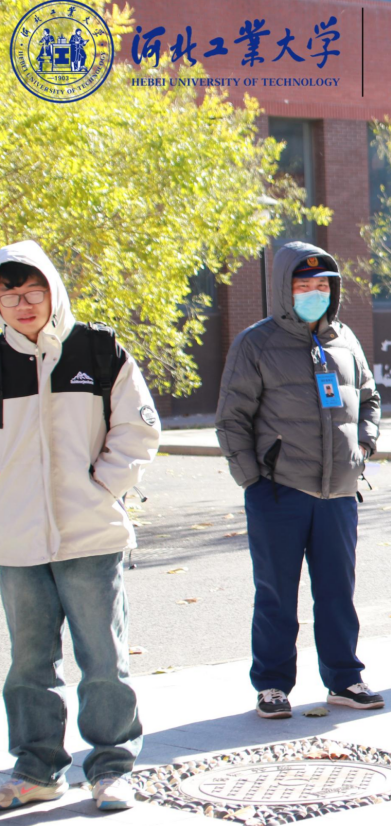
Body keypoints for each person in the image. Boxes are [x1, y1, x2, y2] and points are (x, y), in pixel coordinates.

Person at [0, 241, 160, 811]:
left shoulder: (98, 348)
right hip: (16, 542)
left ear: (53, 291)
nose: (23, 305)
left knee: (103, 661)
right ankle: (37, 769)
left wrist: (102, 488)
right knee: (28, 666)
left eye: (33, 292)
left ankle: (112, 768)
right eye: (10, 295)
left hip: (91, 535)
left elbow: (138, 429)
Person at [215, 243, 383, 720]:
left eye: (322, 285)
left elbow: (369, 398)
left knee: (337, 593)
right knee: (275, 594)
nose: (314, 293)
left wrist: (364, 447)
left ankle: (344, 678)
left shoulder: (345, 339)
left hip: (339, 492)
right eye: (303, 285)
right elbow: (231, 418)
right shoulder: (256, 343)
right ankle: (272, 685)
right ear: (283, 290)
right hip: (278, 491)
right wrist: (252, 480)